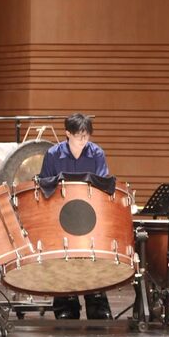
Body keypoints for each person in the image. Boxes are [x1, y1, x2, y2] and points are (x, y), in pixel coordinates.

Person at [39, 113, 113, 320]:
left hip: (89, 214)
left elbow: (101, 184)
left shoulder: (97, 153)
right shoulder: (53, 154)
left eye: (86, 135)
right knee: (63, 255)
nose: (84, 140)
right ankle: (65, 302)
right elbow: (45, 184)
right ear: (67, 134)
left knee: (92, 255)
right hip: (61, 214)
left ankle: (96, 300)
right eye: (79, 135)